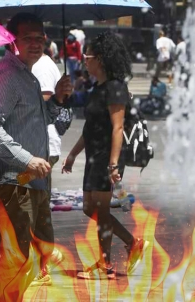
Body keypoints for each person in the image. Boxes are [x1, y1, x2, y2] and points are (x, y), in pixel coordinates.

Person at [0, 12, 72, 297]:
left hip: (34, 180)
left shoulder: (27, 76)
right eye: (28, 38)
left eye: (40, 38)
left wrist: (58, 98)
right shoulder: (6, 77)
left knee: (37, 253)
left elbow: (49, 121)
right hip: (13, 180)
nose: (35, 44)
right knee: (17, 259)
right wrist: (27, 159)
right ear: (12, 41)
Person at [62, 32, 149, 279]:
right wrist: (73, 154)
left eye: (87, 56)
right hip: (92, 155)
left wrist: (113, 164)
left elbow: (117, 127)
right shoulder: (97, 87)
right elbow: (90, 129)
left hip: (106, 157)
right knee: (91, 208)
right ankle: (133, 243)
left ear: (99, 59)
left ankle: (105, 265)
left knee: (100, 211)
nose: (84, 60)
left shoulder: (115, 88)